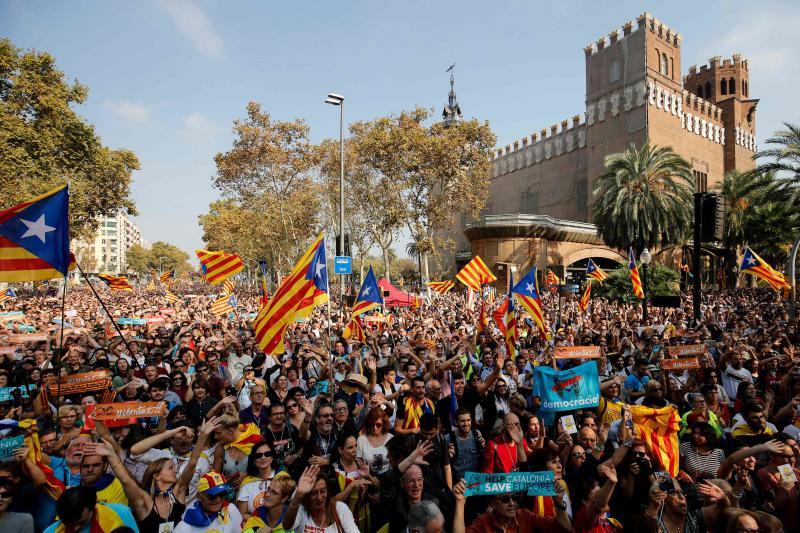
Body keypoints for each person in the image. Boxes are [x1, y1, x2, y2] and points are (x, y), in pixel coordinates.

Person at [94, 419, 216, 533]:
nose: (176, 470)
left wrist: (203, 436)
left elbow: (193, 462)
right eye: (170, 468)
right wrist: (111, 456)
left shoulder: (178, 493)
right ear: (157, 475)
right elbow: (125, 480)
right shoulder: (145, 501)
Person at [452, 480, 572, 533]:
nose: (512, 503)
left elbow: (563, 529)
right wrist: (460, 502)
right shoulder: (484, 522)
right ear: (493, 503)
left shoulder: (525, 516)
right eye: (505, 499)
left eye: (514, 498)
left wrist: (558, 502)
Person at [284, 465, 360, 533]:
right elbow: (287, 527)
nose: (319, 497)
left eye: (323, 491)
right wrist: (298, 495)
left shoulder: (340, 509)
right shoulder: (301, 510)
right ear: (307, 495)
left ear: (328, 491)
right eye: (314, 493)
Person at [44, 486, 138, 533]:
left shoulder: (121, 514)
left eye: (81, 522)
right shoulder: (52, 530)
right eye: (70, 524)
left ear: (93, 506)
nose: (76, 528)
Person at [174, 471, 243, 533]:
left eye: (222, 494)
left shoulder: (230, 510)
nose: (218, 500)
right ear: (199, 497)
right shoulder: (186, 525)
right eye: (212, 496)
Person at [356, 407, 393, 475]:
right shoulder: (361, 440)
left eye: (378, 425)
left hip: (388, 478)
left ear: (384, 424)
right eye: (372, 424)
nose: (375, 428)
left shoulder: (390, 438)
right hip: (367, 476)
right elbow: (359, 464)